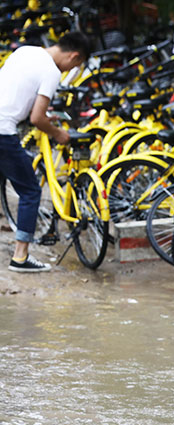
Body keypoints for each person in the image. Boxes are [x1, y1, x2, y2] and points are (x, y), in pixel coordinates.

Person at [0, 31, 90, 273]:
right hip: (2, 130)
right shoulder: (51, 71)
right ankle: (20, 257)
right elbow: (37, 118)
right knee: (30, 190)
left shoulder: (25, 51)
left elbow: (14, 92)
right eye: (76, 66)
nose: (70, 70)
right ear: (74, 57)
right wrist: (59, 133)